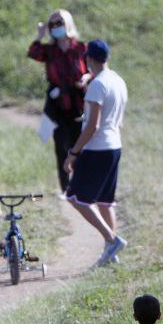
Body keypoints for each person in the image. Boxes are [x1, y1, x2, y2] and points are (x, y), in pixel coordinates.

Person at [64, 39, 129, 267]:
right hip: (114, 146)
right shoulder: (118, 81)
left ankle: (112, 240)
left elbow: (92, 126)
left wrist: (73, 152)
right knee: (104, 202)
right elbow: (119, 121)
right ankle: (110, 256)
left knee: (76, 198)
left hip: (97, 149)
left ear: (89, 59)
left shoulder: (97, 85)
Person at [28, 9, 90, 194]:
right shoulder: (49, 51)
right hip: (58, 103)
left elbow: (91, 70)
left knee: (79, 145)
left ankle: (82, 185)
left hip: (78, 103)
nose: (56, 28)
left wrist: (86, 78)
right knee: (61, 146)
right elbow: (33, 53)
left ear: (68, 24)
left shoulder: (81, 48)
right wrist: (40, 35)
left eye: (59, 23)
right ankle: (66, 188)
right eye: (52, 25)